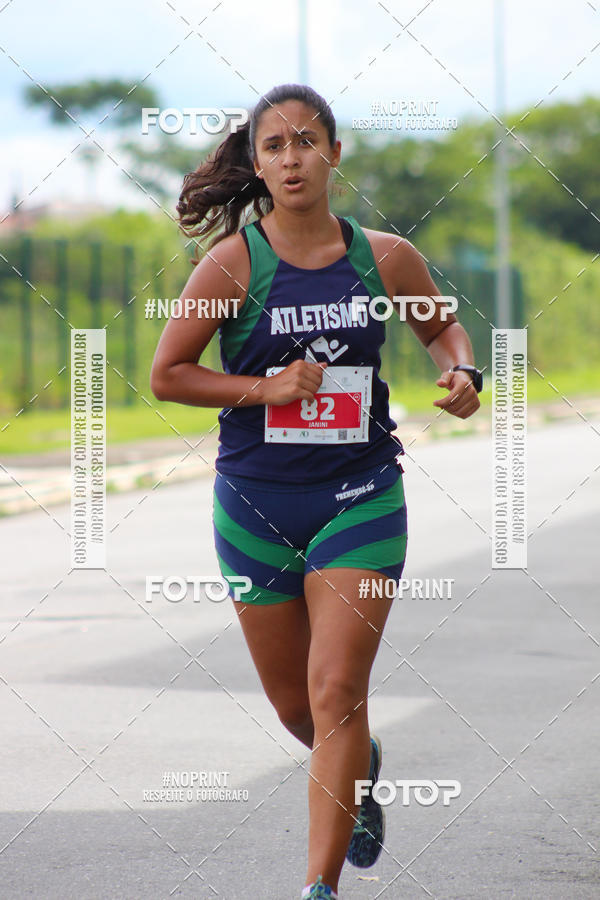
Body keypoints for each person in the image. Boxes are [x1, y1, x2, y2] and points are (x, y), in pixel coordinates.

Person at [150, 83, 481, 900]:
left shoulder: (383, 255)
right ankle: (360, 766)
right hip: (256, 508)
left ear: (335, 153)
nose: (292, 159)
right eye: (274, 146)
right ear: (257, 164)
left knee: (337, 691)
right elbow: (168, 375)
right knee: (302, 713)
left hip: (360, 498)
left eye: (306, 142)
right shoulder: (233, 263)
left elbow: (439, 325)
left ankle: (319, 888)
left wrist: (462, 369)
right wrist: (264, 391)